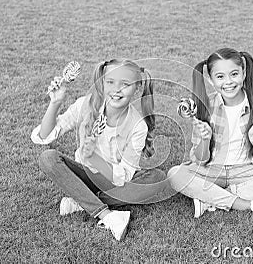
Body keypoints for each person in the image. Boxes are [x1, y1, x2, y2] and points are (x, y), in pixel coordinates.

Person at [31, 59, 172, 241]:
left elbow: (124, 176)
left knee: (158, 178)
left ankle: (81, 201)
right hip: (83, 176)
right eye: (110, 82)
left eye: (125, 84)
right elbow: (44, 136)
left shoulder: (138, 126)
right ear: (103, 83)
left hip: (111, 183)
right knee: (48, 158)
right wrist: (55, 103)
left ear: (136, 88)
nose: (117, 90)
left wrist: (95, 158)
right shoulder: (86, 104)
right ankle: (107, 215)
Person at [167, 48, 253, 218]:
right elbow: (199, 159)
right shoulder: (204, 106)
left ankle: (210, 198)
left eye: (234, 74)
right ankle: (246, 204)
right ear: (210, 79)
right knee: (175, 174)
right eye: (220, 76)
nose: (228, 82)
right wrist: (205, 140)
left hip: (246, 171)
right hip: (211, 170)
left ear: (243, 73)